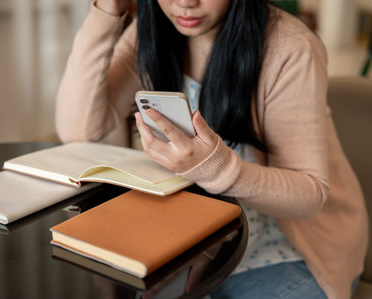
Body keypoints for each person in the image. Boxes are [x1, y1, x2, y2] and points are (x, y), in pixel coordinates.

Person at [55, 0, 368, 298]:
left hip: (291, 250)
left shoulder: (289, 47)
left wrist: (215, 168)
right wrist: (107, 11)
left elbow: (309, 195)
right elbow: (77, 128)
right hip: (198, 243)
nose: (185, 3)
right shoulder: (151, 32)